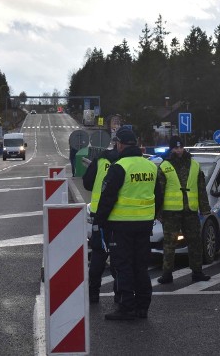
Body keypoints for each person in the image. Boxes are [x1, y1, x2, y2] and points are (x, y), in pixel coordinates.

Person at [92, 127, 163, 320]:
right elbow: (159, 195)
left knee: (123, 266)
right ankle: (142, 307)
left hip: (121, 225)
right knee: (141, 266)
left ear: (120, 144)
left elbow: (107, 198)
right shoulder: (151, 166)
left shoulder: (119, 166)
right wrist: (152, 214)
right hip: (145, 225)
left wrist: (98, 222)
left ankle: (126, 306)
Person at [156, 135, 212, 284]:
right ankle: (167, 274)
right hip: (171, 212)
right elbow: (159, 191)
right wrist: (158, 212)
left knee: (195, 242)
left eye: (181, 147)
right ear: (171, 148)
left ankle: (197, 272)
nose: (179, 150)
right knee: (169, 244)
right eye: (176, 147)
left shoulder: (194, 164)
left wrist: (205, 208)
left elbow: (201, 188)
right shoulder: (164, 166)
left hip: (190, 210)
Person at [82, 145, 119, 304]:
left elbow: (87, 183)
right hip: (120, 216)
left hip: (99, 215)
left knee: (98, 254)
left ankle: (93, 293)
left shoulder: (100, 160)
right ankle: (120, 296)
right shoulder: (125, 162)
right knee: (120, 256)